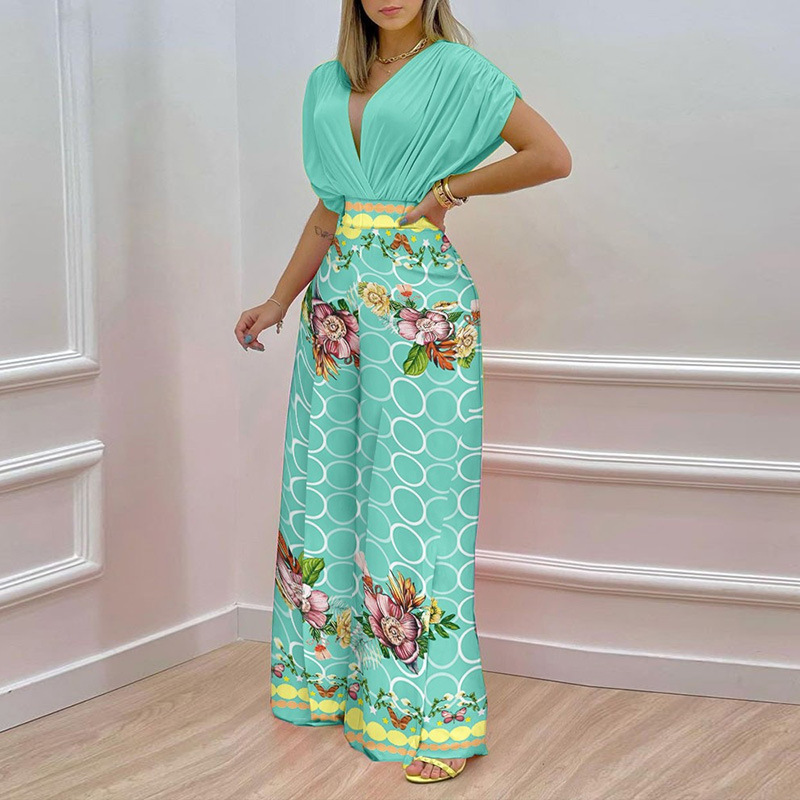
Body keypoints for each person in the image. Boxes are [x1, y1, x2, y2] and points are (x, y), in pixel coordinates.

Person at [234, 0, 571, 786]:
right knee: (322, 486)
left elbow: (551, 156)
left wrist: (450, 190)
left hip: (422, 305)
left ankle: (438, 721)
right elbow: (330, 209)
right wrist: (279, 299)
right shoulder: (327, 81)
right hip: (336, 306)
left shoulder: (456, 69)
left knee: (418, 499)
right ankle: (331, 684)